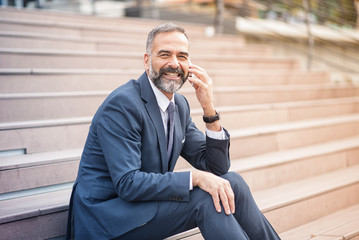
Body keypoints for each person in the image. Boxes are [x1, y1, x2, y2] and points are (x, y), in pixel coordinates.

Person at [66, 23, 280, 240]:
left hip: (143, 205)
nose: (174, 64)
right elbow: (128, 184)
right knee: (207, 199)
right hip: (109, 215)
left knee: (232, 183)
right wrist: (195, 177)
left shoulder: (179, 105)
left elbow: (217, 167)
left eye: (182, 56)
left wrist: (209, 109)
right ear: (147, 60)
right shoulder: (123, 104)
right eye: (165, 55)